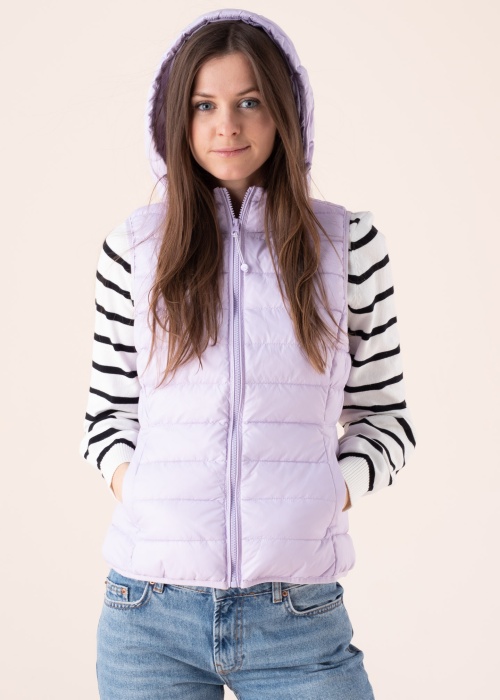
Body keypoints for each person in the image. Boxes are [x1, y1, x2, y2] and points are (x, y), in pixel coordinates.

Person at [80, 9, 416, 699]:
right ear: (176, 119)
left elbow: (386, 417)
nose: (226, 126)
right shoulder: (134, 249)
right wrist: (141, 492)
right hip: (147, 615)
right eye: (204, 105)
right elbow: (107, 414)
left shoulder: (349, 245)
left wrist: (328, 493)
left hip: (296, 614)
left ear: (286, 113)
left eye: (249, 102)